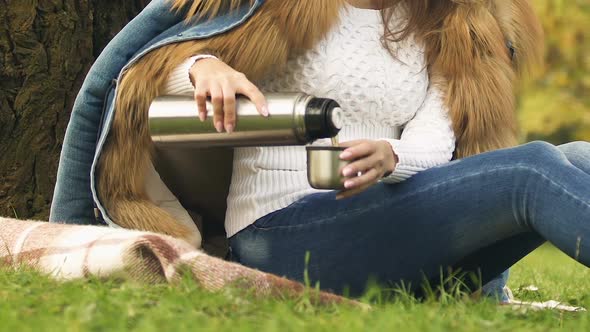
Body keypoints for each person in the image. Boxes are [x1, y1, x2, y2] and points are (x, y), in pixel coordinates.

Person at [50, 0, 588, 299]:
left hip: (388, 217)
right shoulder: (281, 7)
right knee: (534, 169)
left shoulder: (446, 24)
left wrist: (392, 157)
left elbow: (436, 141)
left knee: (581, 155)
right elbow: (150, 81)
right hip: (282, 231)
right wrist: (203, 66)